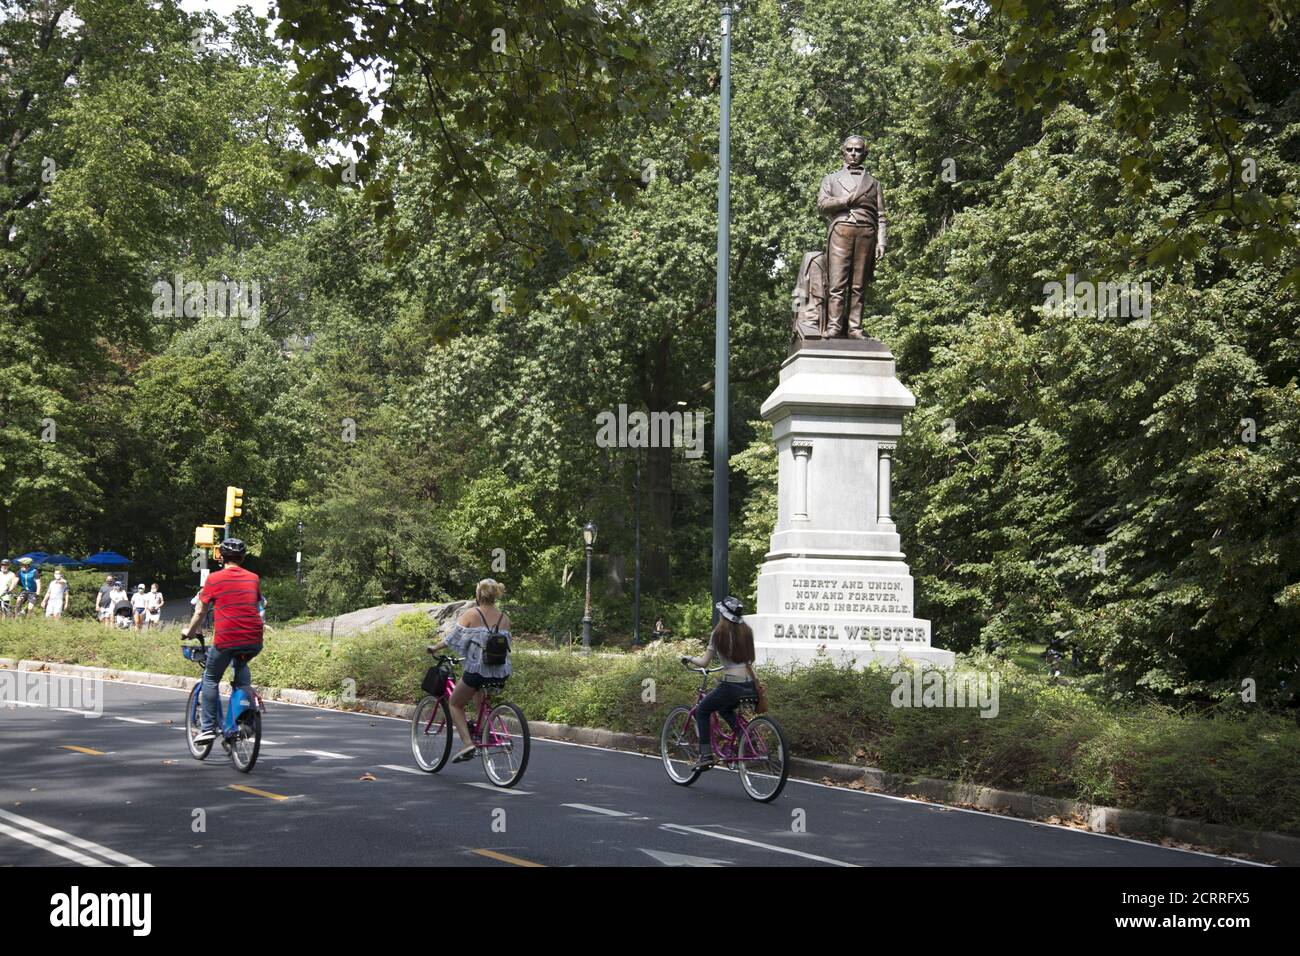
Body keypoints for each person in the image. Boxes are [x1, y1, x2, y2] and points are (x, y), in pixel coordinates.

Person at [182, 539, 264, 745]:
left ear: (221, 557)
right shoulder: (253, 578)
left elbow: (200, 610)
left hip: (227, 638)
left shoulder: (214, 579)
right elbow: (255, 604)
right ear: (243, 558)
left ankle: (208, 728)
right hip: (254, 638)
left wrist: (190, 632)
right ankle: (243, 717)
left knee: (210, 678)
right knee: (241, 666)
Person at [425, 579, 512, 764]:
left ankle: (467, 744)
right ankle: (481, 733)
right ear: (496, 595)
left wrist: (434, 648)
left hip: (477, 670)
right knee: (479, 696)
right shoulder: (504, 617)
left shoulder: (472, 613)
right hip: (500, 671)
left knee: (455, 703)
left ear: (479, 594)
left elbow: (451, 639)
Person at [817, 134, 887, 338]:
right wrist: (846, 200)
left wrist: (882, 241)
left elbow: (881, 215)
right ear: (843, 151)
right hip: (841, 230)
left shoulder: (874, 184)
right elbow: (822, 205)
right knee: (837, 283)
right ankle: (834, 327)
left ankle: (855, 328)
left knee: (859, 285)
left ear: (865, 153)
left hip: (866, 233)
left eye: (858, 150)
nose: (853, 154)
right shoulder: (831, 179)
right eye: (849, 150)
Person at [681, 596, 759, 771]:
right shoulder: (747, 631)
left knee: (702, 710)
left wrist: (688, 658)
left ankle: (705, 755)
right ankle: (746, 738)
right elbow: (749, 659)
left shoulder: (719, 633)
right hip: (750, 684)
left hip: (731, 684)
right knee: (725, 708)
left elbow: (704, 663)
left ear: (723, 614)